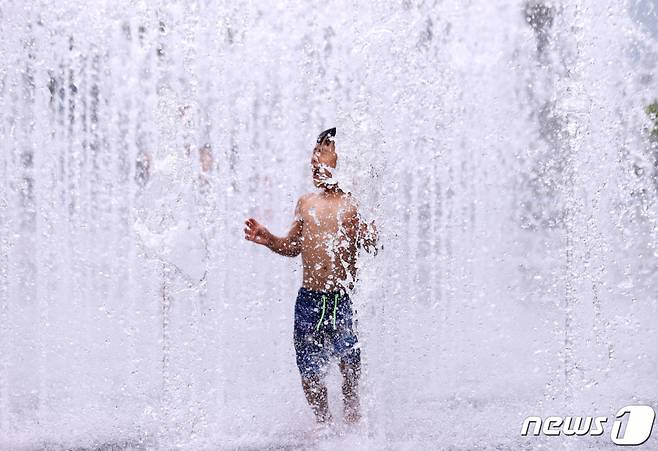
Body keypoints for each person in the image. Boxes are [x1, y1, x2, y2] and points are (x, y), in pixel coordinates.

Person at [244, 127, 378, 425]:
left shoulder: (353, 204)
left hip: (340, 301)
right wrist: (269, 238)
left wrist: (371, 234)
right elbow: (292, 247)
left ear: (341, 159)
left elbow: (373, 244)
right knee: (309, 371)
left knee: (350, 365)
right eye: (312, 154)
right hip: (309, 300)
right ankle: (324, 424)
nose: (313, 160)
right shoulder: (306, 203)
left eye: (321, 153)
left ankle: (353, 417)